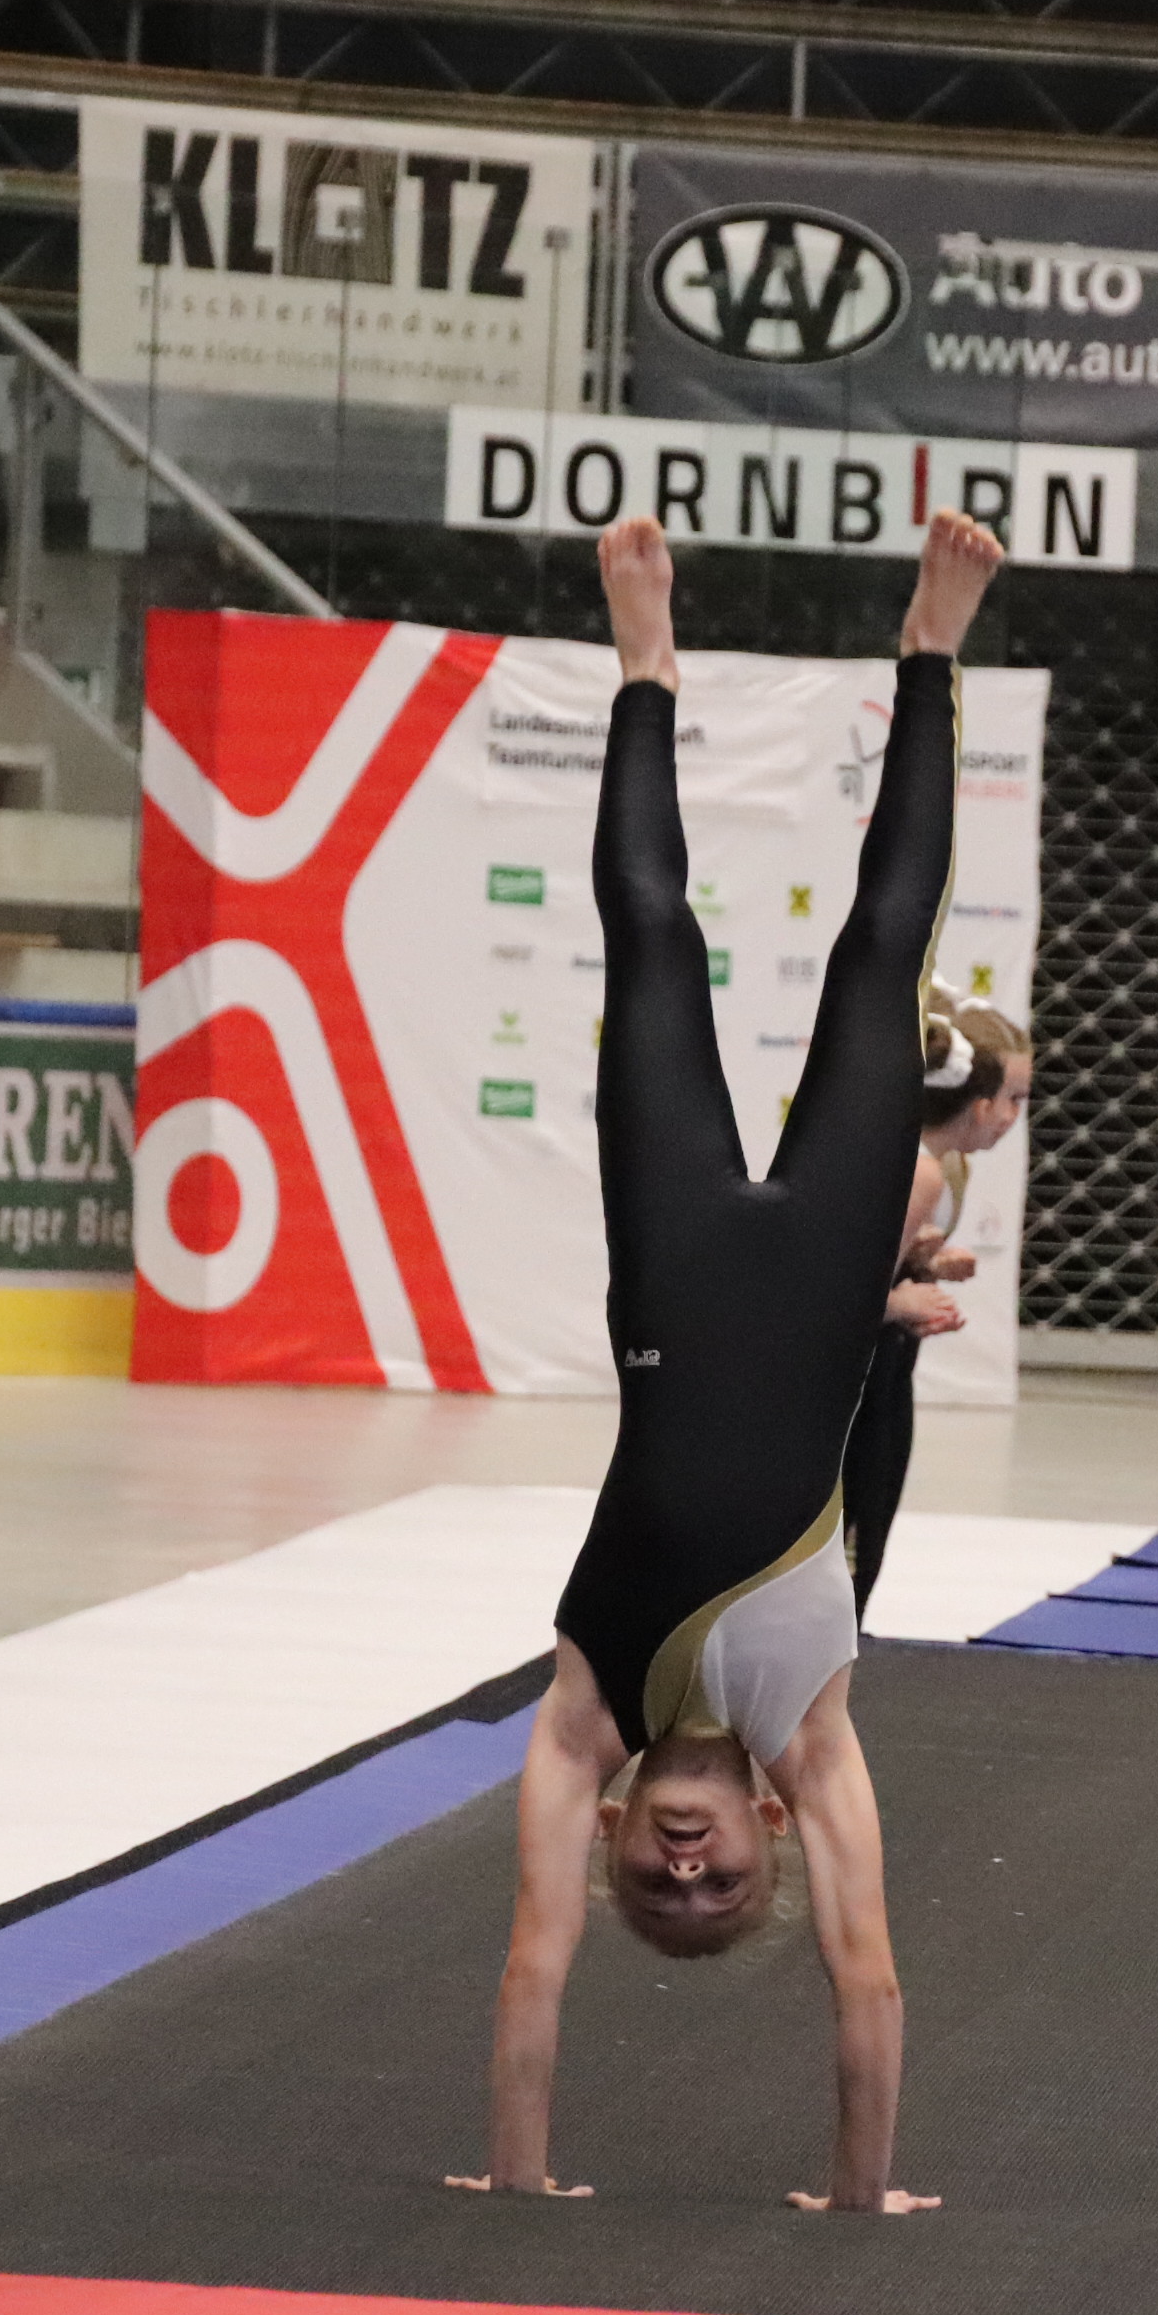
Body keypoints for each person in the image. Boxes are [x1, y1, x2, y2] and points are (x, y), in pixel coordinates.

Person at [447, 508, 997, 2217]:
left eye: (655, 1887)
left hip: (676, 1252)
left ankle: (644, 663)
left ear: (610, 1837)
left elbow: (531, 1961)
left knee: (649, 933)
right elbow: (871, 1977)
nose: (688, 1872)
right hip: (823, 1267)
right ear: (770, 1837)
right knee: (880, 953)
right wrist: (861, 2190)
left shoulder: (579, 1718)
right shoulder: (811, 1731)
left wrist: (519, 2174)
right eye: (722, 1889)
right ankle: (931, 649)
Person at [843, 1003, 1032, 1613]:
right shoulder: (920, 1170)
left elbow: (875, 1259)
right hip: (858, 1369)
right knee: (855, 1517)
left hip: (888, 1362)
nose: (1009, 1117)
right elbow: (836, 1291)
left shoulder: (946, 1164)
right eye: (1008, 1099)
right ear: (976, 1102)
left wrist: (925, 1265)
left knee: (872, 1513)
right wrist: (902, 1300)